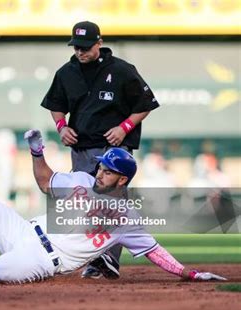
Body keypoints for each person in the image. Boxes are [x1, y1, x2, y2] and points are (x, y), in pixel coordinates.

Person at [0, 130, 225, 284]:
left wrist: (190, 273)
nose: (101, 171)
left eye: (109, 170)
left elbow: (155, 251)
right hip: (23, 232)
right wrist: (35, 151)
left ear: (122, 180)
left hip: (44, 259)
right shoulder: (81, 181)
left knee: (1, 271)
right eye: (102, 166)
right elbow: (45, 182)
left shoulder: (126, 218)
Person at [40, 21, 160, 278]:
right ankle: (93, 256)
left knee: (113, 204)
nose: (80, 52)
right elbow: (56, 104)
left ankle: (108, 258)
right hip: (82, 148)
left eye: (85, 47)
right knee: (85, 203)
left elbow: (145, 104)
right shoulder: (66, 72)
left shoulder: (122, 70)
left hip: (114, 148)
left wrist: (124, 127)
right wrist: (61, 126)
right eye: (76, 47)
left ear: (99, 43)